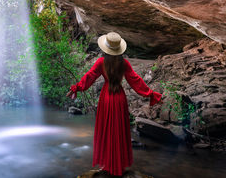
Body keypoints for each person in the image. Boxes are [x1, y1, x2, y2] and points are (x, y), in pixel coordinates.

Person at [66, 32, 162, 176]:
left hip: (106, 97)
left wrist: (76, 88)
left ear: (106, 48)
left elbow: (89, 77)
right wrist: (150, 94)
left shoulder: (100, 62)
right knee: (118, 131)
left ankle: (106, 165)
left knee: (106, 131)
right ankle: (119, 165)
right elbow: (136, 80)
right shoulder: (124, 63)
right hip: (119, 98)